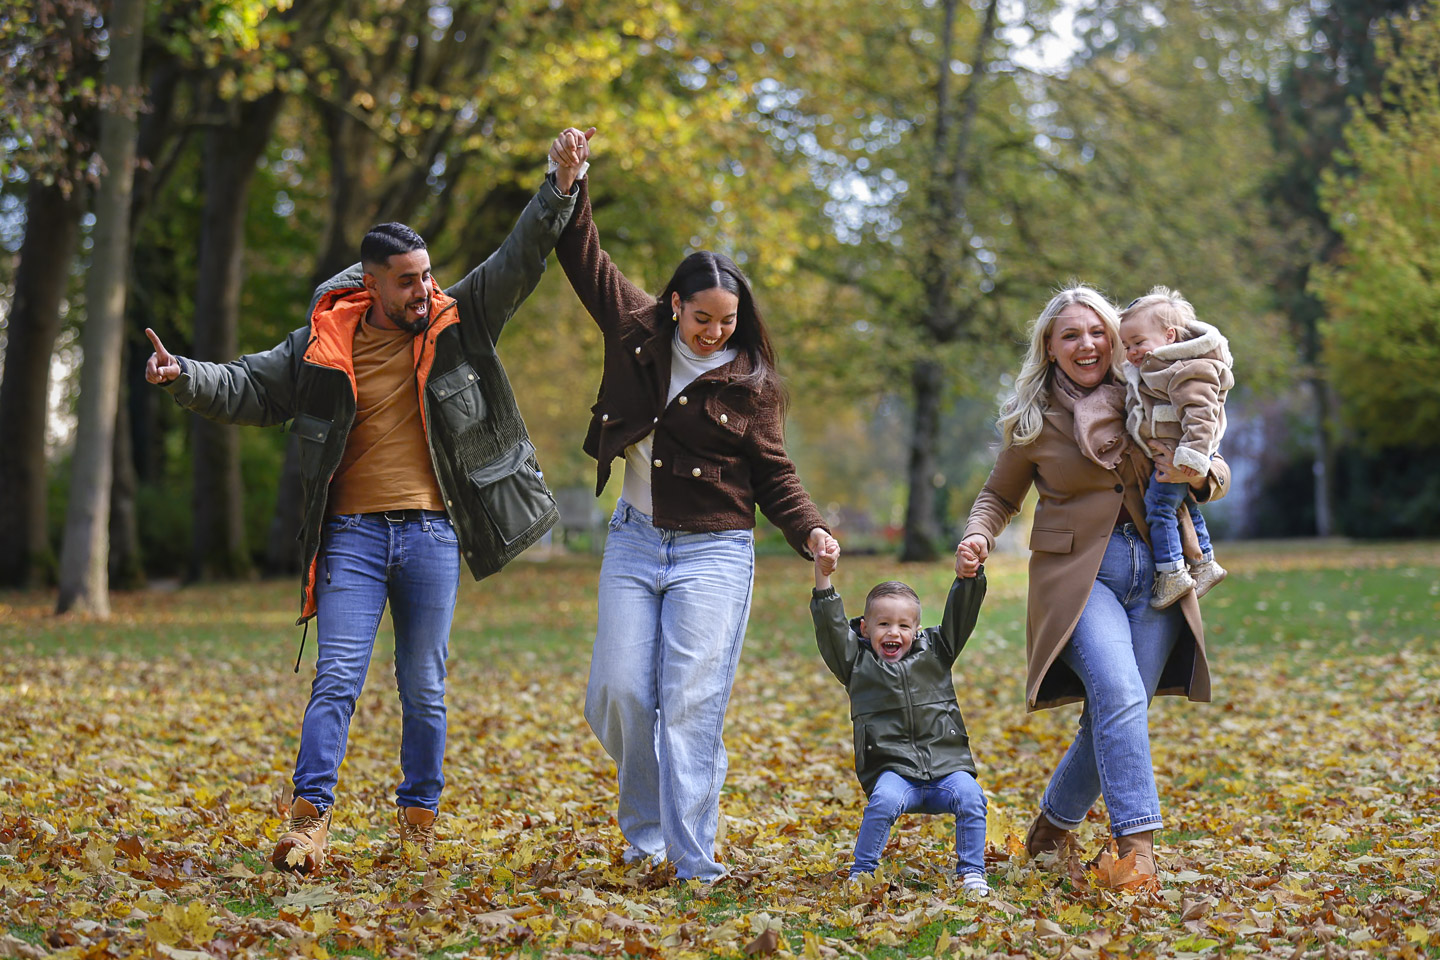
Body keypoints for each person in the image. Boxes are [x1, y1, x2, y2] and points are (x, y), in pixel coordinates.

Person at [143, 128, 590, 876]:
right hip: (351, 535)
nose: (425, 290)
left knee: (424, 685)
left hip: (432, 536)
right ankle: (308, 823)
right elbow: (250, 388)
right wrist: (183, 373)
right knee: (338, 679)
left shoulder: (459, 321)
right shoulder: (322, 344)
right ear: (372, 283)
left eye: (427, 275)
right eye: (408, 280)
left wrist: (560, 186)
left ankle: (418, 823)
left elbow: (519, 259)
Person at [549, 126, 835, 883]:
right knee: (619, 692)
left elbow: (774, 471)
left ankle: (686, 856)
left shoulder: (751, 383)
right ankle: (648, 828)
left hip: (715, 551)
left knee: (688, 703)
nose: (715, 334)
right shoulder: (636, 328)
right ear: (675, 304)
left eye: (728, 322)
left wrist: (810, 531)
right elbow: (585, 258)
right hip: (635, 541)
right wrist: (569, 183)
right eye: (702, 318)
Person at [954, 285, 1231, 882]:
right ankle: (1138, 852)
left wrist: (1201, 469)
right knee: (1122, 694)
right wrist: (978, 533)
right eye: (1070, 335)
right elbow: (999, 494)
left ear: (1114, 336)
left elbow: (1211, 454)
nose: (1088, 344)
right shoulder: (1034, 417)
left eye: (1097, 331)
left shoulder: (1149, 388)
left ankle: (1050, 830)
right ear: (1050, 349)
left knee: (1114, 707)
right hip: (1080, 578)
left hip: (1161, 571)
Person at [809, 539, 990, 895]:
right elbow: (831, 630)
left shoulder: (937, 652)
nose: (894, 632)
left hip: (946, 769)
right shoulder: (856, 665)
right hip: (894, 773)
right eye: (884, 624)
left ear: (917, 631)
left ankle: (972, 873)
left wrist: (967, 575)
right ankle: (862, 872)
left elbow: (961, 616)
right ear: (864, 629)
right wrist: (822, 576)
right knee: (884, 802)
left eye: (904, 626)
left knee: (972, 797)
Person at [1117, 287, 1233, 608]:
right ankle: (1205, 563)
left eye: (1138, 343)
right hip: (1177, 454)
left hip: (1183, 456)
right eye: (1126, 346)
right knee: (1186, 509)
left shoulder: (1184, 368)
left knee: (1158, 507)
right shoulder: (1157, 367)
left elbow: (1201, 415)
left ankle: (1172, 572)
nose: (1131, 352)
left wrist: (1192, 462)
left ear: (1169, 336)